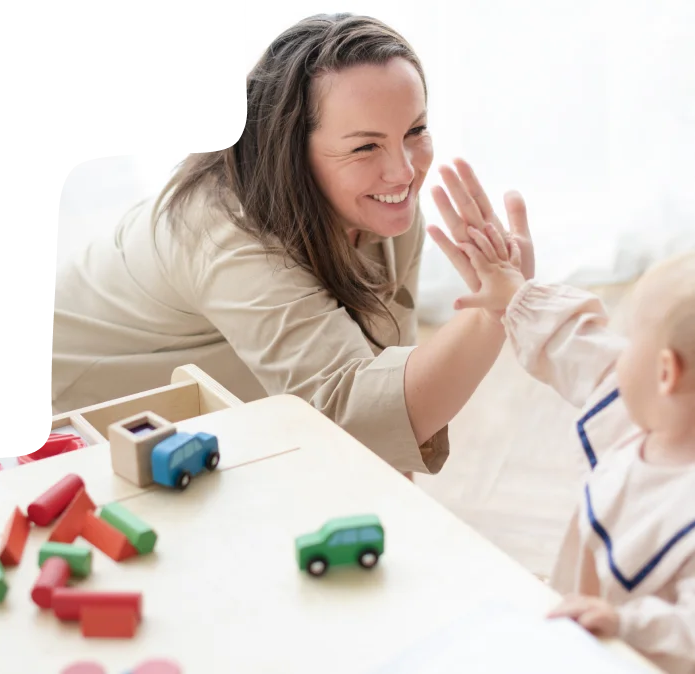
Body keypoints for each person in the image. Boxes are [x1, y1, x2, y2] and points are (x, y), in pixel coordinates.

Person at [51, 13, 534, 477]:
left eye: (415, 131)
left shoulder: (383, 207)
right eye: (365, 146)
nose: (404, 172)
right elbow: (351, 417)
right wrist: (490, 314)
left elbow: (388, 390)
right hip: (68, 424)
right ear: (289, 149)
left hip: (198, 414)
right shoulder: (223, 231)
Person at [432, 220, 694, 673]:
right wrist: (515, 295)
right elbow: (576, 340)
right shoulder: (631, 405)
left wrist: (624, 624)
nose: (617, 351)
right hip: (573, 623)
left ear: (666, 372)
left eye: (629, 341)